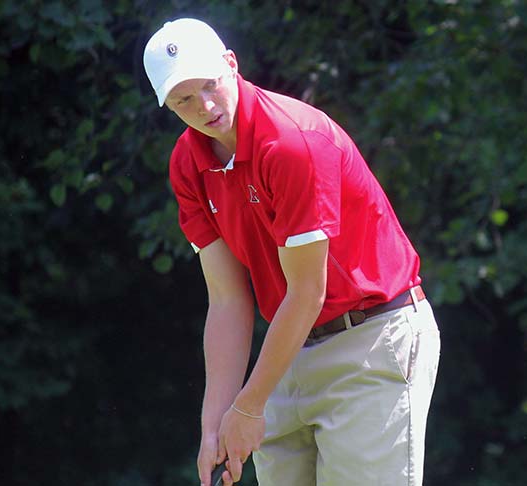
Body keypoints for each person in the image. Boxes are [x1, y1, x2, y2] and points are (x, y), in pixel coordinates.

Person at [143, 18, 440, 486]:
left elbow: (307, 291)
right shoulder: (187, 164)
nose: (203, 106)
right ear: (166, 105)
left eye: (210, 85)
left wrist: (248, 405)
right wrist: (215, 422)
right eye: (183, 99)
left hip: (371, 339)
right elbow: (227, 299)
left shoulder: (290, 142)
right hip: (288, 350)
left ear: (231, 64)